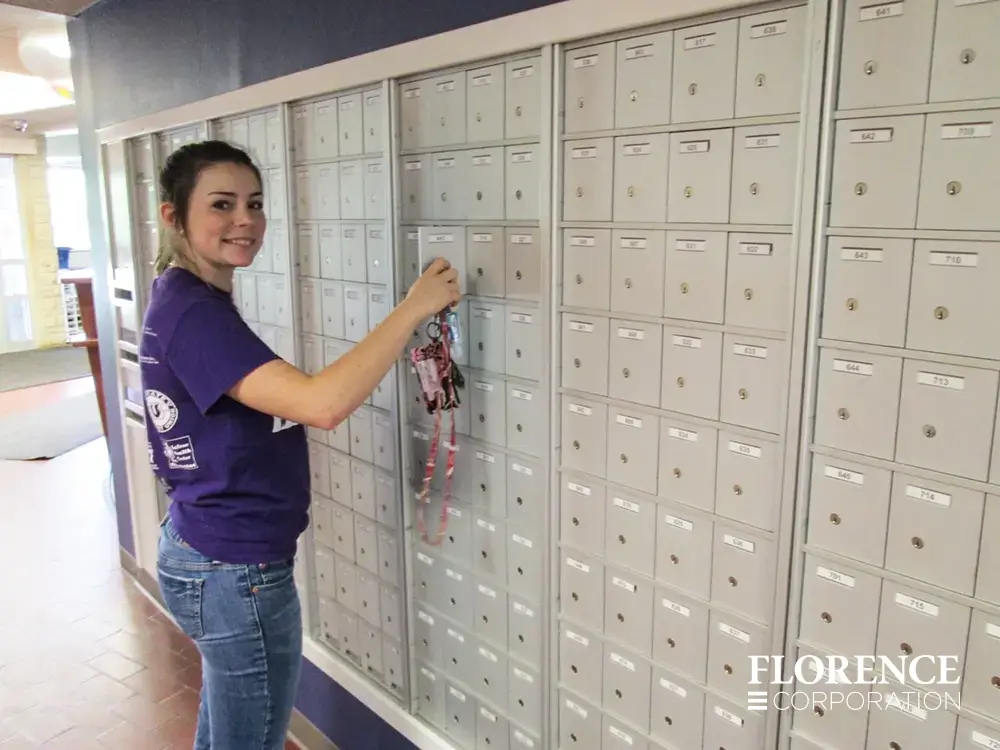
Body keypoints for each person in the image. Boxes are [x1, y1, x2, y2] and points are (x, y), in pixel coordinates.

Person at [140, 139, 460, 750]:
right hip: (232, 570)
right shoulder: (195, 314)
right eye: (222, 204)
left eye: (255, 203)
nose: (245, 220)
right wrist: (415, 307)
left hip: (203, 545)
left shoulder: (185, 296)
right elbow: (322, 404)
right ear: (173, 215)